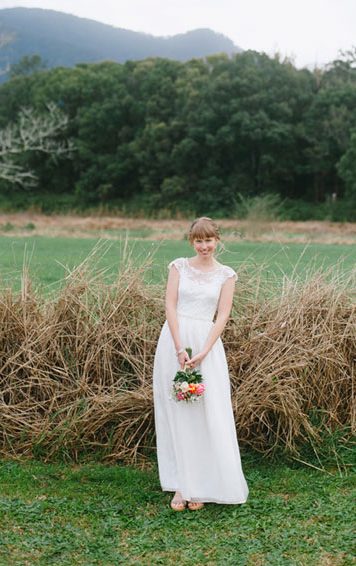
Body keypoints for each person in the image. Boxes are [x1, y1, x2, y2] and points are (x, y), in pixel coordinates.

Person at [152, 216, 249, 510]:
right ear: (191, 242)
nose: (204, 246)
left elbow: (222, 315)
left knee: (206, 411)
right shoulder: (179, 267)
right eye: (198, 240)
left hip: (206, 345)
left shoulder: (226, 275)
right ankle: (181, 484)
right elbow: (170, 305)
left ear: (217, 240)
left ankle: (203, 483)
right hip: (174, 341)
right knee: (177, 410)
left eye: (208, 240)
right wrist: (179, 347)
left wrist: (204, 351)